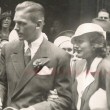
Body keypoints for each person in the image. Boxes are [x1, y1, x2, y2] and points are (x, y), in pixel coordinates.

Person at [0, 1, 72, 110]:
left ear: (38, 24)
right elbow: (2, 82)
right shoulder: (8, 49)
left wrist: (33, 109)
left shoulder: (59, 56)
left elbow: (64, 99)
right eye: (15, 22)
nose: (15, 28)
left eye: (22, 23)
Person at [71, 23, 110, 110]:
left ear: (95, 44)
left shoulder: (106, 68)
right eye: (75, 41)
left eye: (80, 41)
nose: (75, 46)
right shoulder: (77, 66)